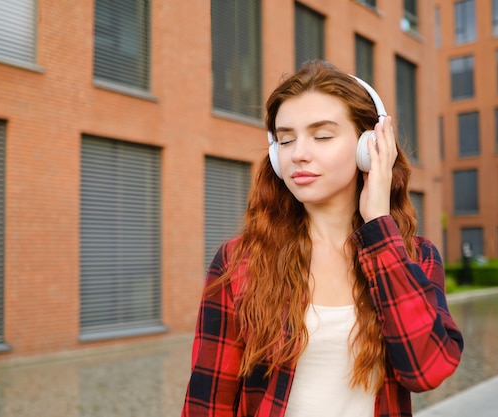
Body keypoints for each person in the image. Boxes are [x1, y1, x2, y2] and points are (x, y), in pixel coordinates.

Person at [181, 60, 463, 417]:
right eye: (285, 139)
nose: (298, 153)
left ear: (370, 146)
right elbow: (208, 403)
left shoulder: (413, 256)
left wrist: (377, 225)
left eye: (322, 135)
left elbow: (427, 370)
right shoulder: (241, 261)